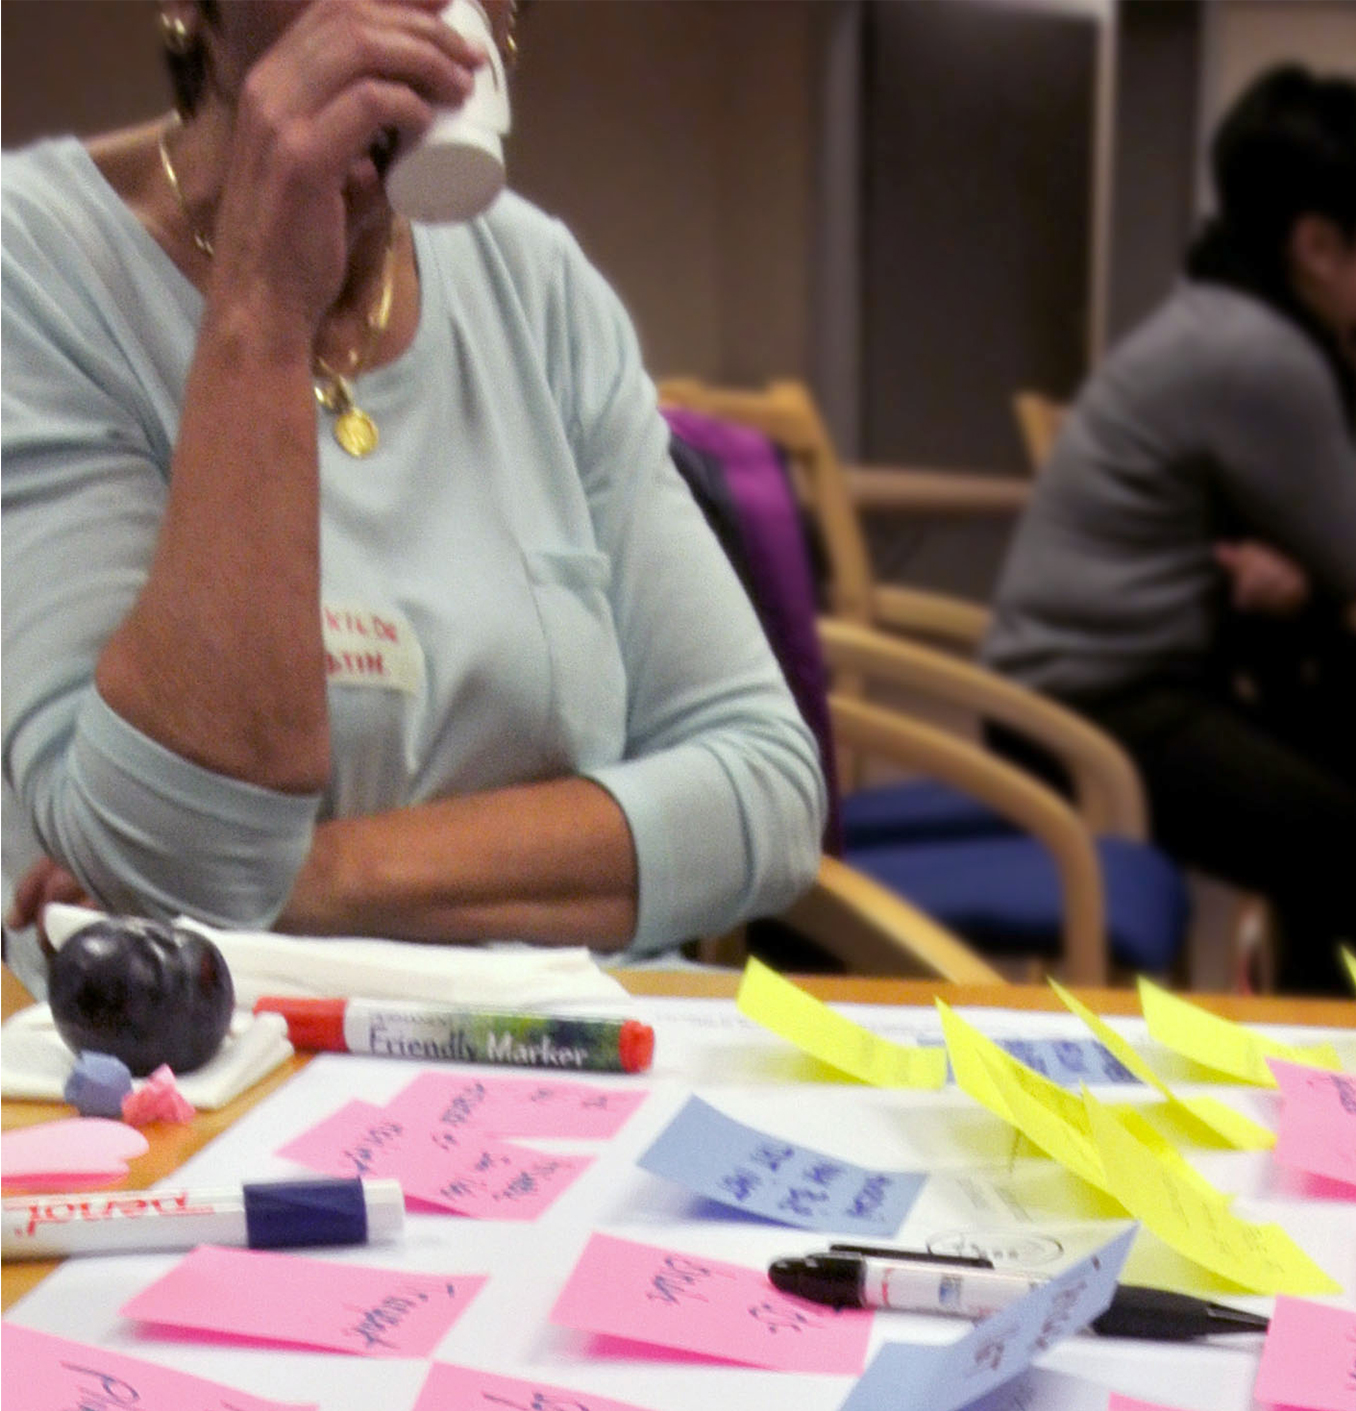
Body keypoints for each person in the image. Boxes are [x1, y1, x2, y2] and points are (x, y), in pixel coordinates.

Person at [3, 0, 823, 960]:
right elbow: (174, 850)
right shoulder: (35, 266)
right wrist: (264, 307)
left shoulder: (537, 282)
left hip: (582, 1029)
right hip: (231, 1047)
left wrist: (307, 881)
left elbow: (764, 788)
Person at [980, 66, 1356, 996]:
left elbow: (1329, 527)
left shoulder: (1225, 320)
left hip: (1076, 689)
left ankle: (1286, 1033)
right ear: (1318, 245)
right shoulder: (1262, 353)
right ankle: (1307, 1068)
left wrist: (1336, 510)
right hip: (1087, 716)